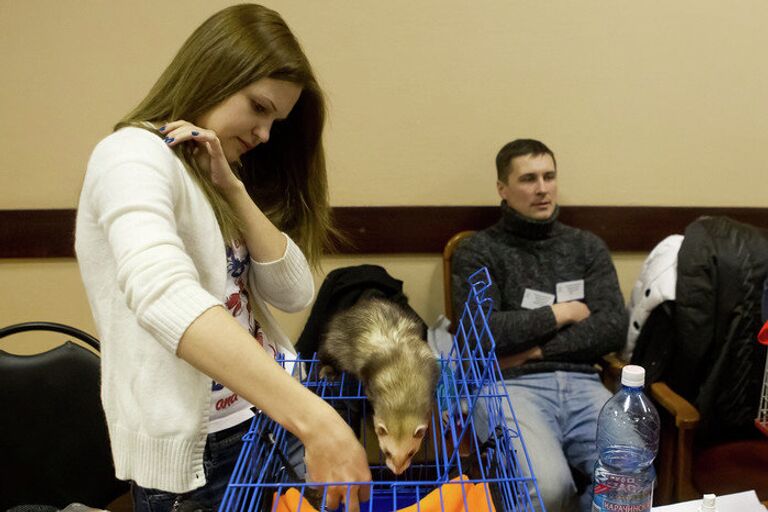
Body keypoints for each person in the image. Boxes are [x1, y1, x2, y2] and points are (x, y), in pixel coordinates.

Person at [75, 4, 371, 511]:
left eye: (275, 120)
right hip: (202, 452)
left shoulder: (210, 167)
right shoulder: (130, 156)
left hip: (258, 417)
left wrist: (233, 190)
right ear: (214, 73)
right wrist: (314, 418)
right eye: (258, 108)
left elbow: (294, 291)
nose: (264, 134)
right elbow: (163, 294)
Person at [451, 139, 627, 512]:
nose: (543, 188)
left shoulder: (586, 247)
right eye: (529, 178)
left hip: (584, 383)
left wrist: (534, 350)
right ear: (503, 189)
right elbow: (484, 333)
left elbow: (611, 327)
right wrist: (561, 314)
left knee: (625, 479)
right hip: (511, 387)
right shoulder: (478, 251)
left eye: (549, 176)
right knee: (549, 489)